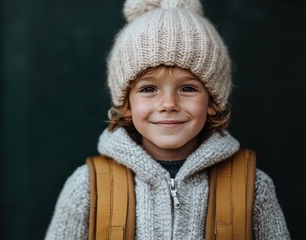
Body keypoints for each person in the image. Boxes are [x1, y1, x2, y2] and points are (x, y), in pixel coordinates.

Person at [44, 0, 291, 239]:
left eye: (188, 89)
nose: (168, 104)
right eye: (149, 89)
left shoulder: (253, 187)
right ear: (126, 104)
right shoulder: (86, 187)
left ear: (213, 101)